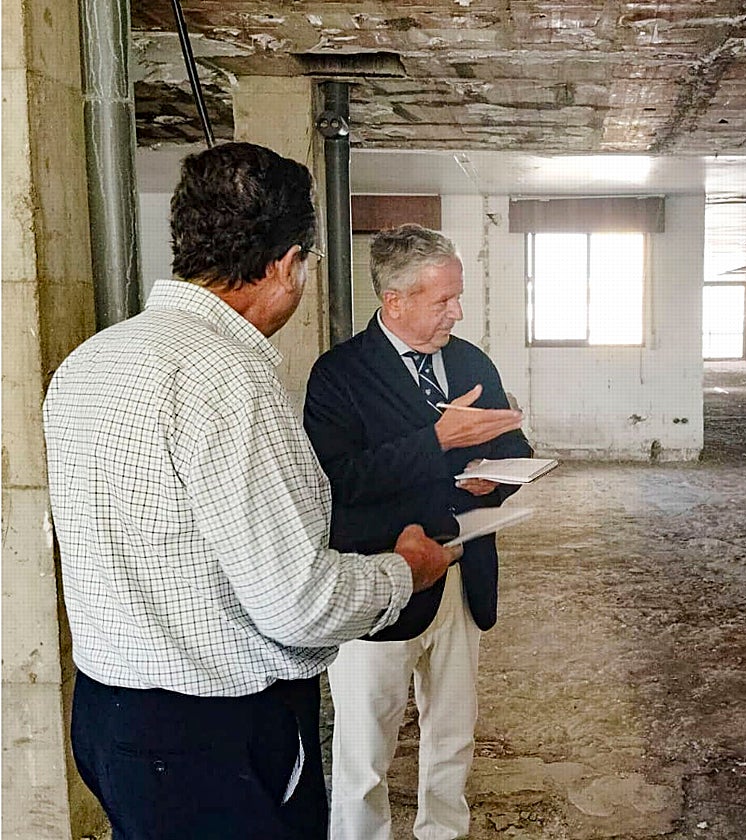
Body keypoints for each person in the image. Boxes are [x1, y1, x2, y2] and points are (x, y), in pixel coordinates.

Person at [42, 142, 457, 839]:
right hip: (214, 731)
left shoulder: (89, 360)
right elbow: (301, 606)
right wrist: (405, 572)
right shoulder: (231, 381)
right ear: (289, 264)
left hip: (105, 716)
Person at [304, 224, 531, 840]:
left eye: (458, 298)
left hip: (461, 575)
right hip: (380, 584)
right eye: (443, 301)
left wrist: (498, 478)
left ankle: (443, 832)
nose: (456, 312)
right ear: (394, 301)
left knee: (453, 736)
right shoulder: (339, 375)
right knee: (365, 753)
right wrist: (437, 442)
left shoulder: (469, 360)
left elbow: (514, 444)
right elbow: (336, 482)